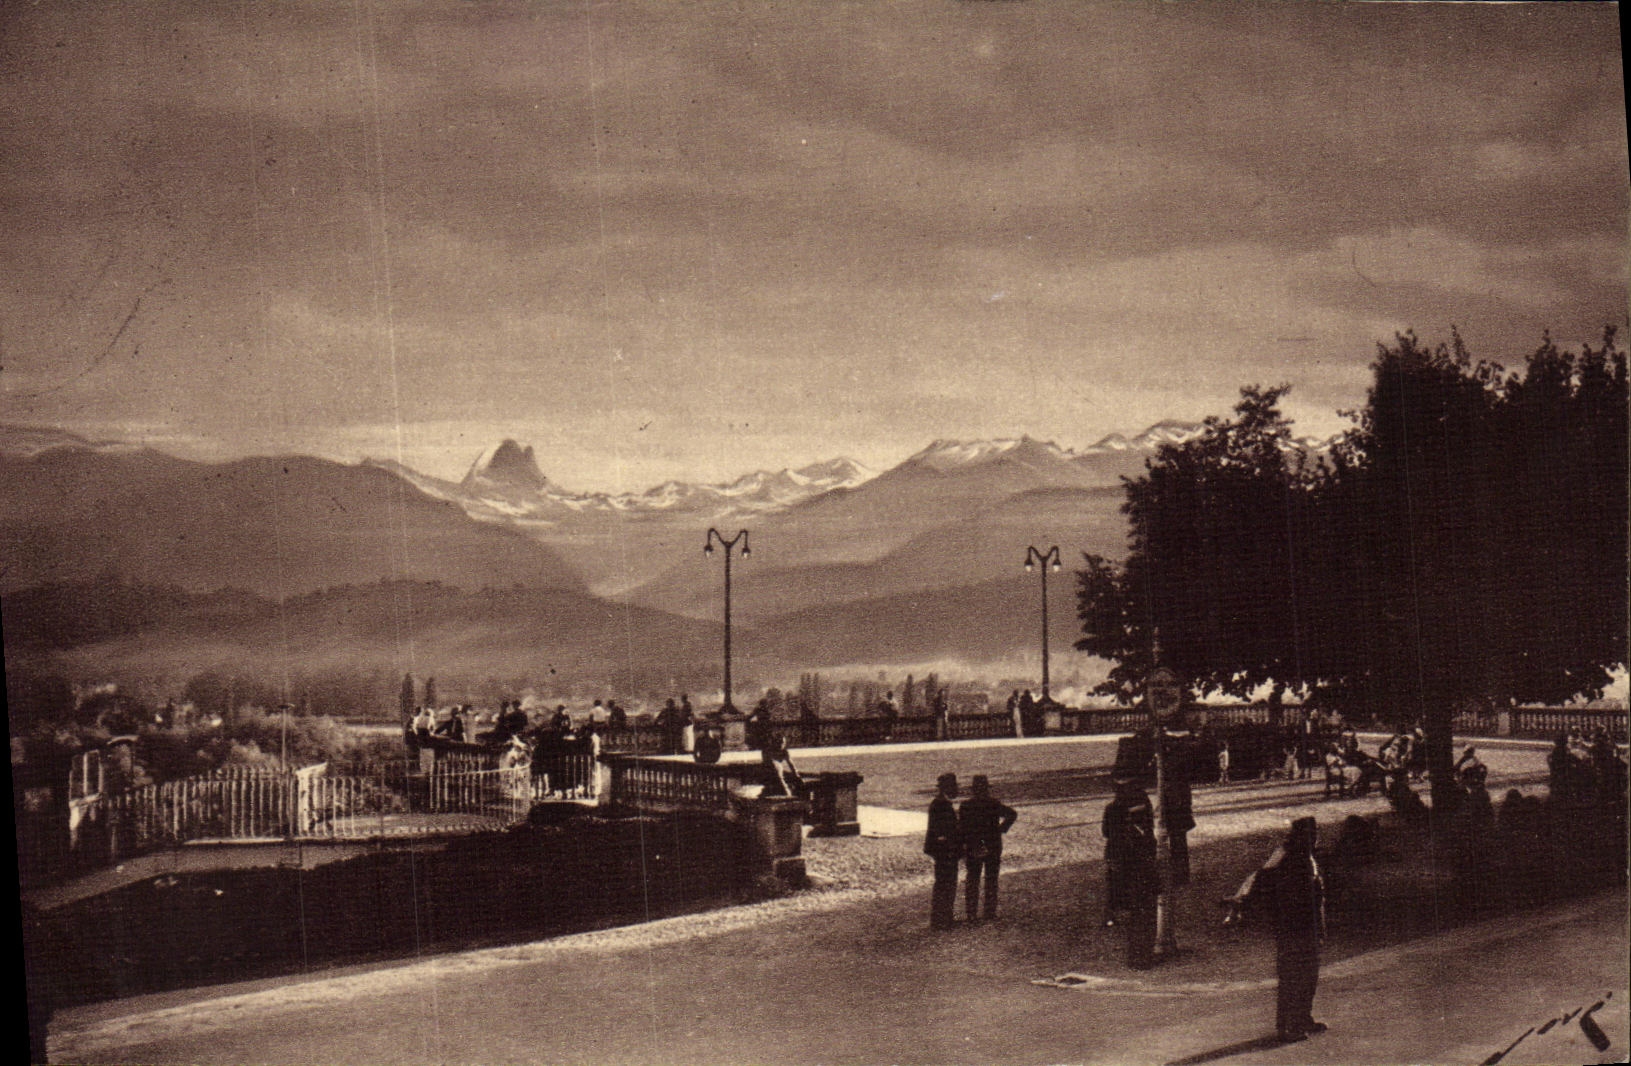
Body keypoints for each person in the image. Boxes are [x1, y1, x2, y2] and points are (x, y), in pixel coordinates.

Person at [1250, 817, 1327, 1044]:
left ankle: (1303, 1018)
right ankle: (1287, 1026)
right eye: (1311, 835)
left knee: (1308, 976)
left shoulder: (1304, 857)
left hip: (1307, 927)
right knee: (1293, 977)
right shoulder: (1289, 860)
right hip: (1294, 929)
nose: (1314, 839)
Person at [1102, 777, 1159, 967]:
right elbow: (1149, 831)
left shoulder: (1112, 808)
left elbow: (1106, 832)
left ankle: (1136, 956)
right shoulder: (1144, 805)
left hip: (1121, 861)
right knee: (1144, 911)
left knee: (1130, 907)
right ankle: (1142, 956)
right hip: (1141, 864)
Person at [958, 774, 1017, 922]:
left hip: (974, 845)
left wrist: (964, 846)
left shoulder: (966, 806)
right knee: (991, 879)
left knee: (973, 879)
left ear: (973, 789)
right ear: (986, 789)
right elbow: (1012, 814)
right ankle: (989, 913)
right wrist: (1000, 829)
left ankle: (971, 914)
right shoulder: (993, 803)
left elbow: (962, 829)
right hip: (993, 845)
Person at [925, 773, 962, 930]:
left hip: (942, 850)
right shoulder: (942, 805)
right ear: (948, 788)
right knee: (946, 883)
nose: (956, 790)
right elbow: (942, 832)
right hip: (945, 851)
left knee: (943, 883)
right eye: (954, 787)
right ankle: (943, 919)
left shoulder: (939, 803)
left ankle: (943, 918)